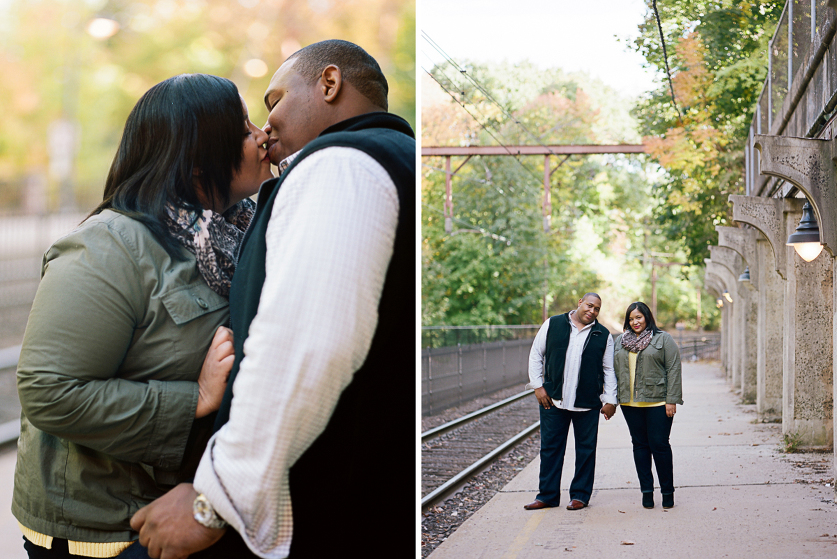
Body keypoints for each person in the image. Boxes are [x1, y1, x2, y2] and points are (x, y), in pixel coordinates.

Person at [131, 39, 415, 559]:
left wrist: (213, 500)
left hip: (324, 513)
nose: (267, 127)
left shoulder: (340, 166)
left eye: (274, 101)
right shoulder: (396, 160)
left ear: (329, 84)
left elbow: (305, 346)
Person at [12, 73, 273, 558]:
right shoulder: (107, 247)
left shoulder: (233, 235)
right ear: (198, 163)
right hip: (106, 533)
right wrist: (192, 399)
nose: (262, 136)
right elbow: (48, 391)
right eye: (243, 129)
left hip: (181, 511)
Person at [523, 293, 617, 512]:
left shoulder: (603, 335)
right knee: (550, 449)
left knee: (586, 450)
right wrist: (538, 386)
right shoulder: (553, 324)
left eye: (597, 309)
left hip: (588, 403)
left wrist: (611, 400)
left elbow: (609, 370)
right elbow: (536, 354)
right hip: (553, 401)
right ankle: (547, 495)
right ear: (580, 303)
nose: (592, 311)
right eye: (589, 306)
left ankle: (580, 496)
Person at [613, 301, 683, 509]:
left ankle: (667, 492)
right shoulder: (620, 341)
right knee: (640, 446)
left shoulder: (663, 339)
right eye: (631, 319)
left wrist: (672, 399)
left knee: (659, 445)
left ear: (647, 317)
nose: (635, 322)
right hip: (630, 402)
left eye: (639, 317)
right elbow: (612, 370)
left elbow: (674, 369)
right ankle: (646, 492)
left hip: (658, 402)